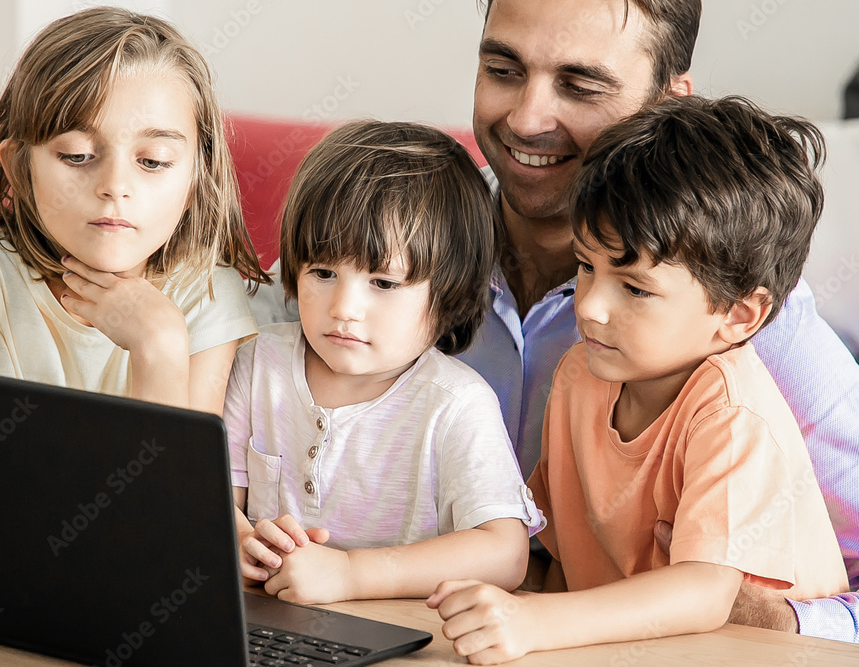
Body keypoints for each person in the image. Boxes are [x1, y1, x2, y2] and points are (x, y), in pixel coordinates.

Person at [248, 0, 859, 641]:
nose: (527, 119)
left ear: (666, 103)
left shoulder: (750, 329)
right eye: (504, 69)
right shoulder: (391, 236)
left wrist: (770, 620)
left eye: (580, 85)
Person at [428, 94, 850, 664]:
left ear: (739, 316)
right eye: (585, 266)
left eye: (635, 288)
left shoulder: (729, 415)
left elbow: (703, 595)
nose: (591, 307)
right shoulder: (582, 372)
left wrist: (533, 622)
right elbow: (558, 559)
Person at [0, 7, 265, 522]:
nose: (115, 186)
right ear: (17, 168)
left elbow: (176, 514)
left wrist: (159, 347)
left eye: (154, 161)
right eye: (76, 155)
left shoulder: (207, 286)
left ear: (194, 179)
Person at [226, 120, 545, 605]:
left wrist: (350, 574)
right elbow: (212, 494)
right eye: (324, 272)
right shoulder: (255, 364)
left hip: (403, 632)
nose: (344, 308)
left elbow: (505, 554)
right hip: (268, 622)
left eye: (384, 283)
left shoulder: (456, 404)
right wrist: (241, 542)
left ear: (452, 296)